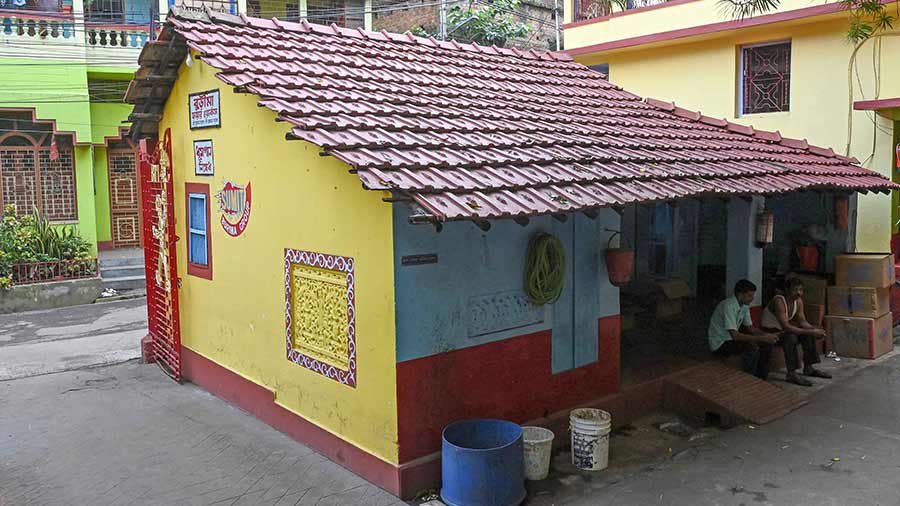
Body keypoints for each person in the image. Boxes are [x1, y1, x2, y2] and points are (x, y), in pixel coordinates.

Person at [761, 277, 831, 387]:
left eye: (801, 290)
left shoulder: (798, 301)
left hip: (783, 331)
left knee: (807, 335)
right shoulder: (779, 301)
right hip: (770, 332)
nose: (799, 293)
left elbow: (803, 322)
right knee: (791, 337)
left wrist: (815, 330)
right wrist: (811, 332)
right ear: (786, 289)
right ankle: (791, 373)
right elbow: (787, 327)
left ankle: (809, 368)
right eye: (795, 290)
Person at [708, 279, 779, 379]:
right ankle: (748, 377)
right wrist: (762, 338)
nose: (752, 299)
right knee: (752, 346)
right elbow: (735, 336)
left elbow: (750, 328)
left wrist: (766, 335)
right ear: (740, 294)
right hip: (720, 343)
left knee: (767, 344)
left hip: (731, 338)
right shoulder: (728, 306)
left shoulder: (744, 306)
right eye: (749, 295)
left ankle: (761, 377)